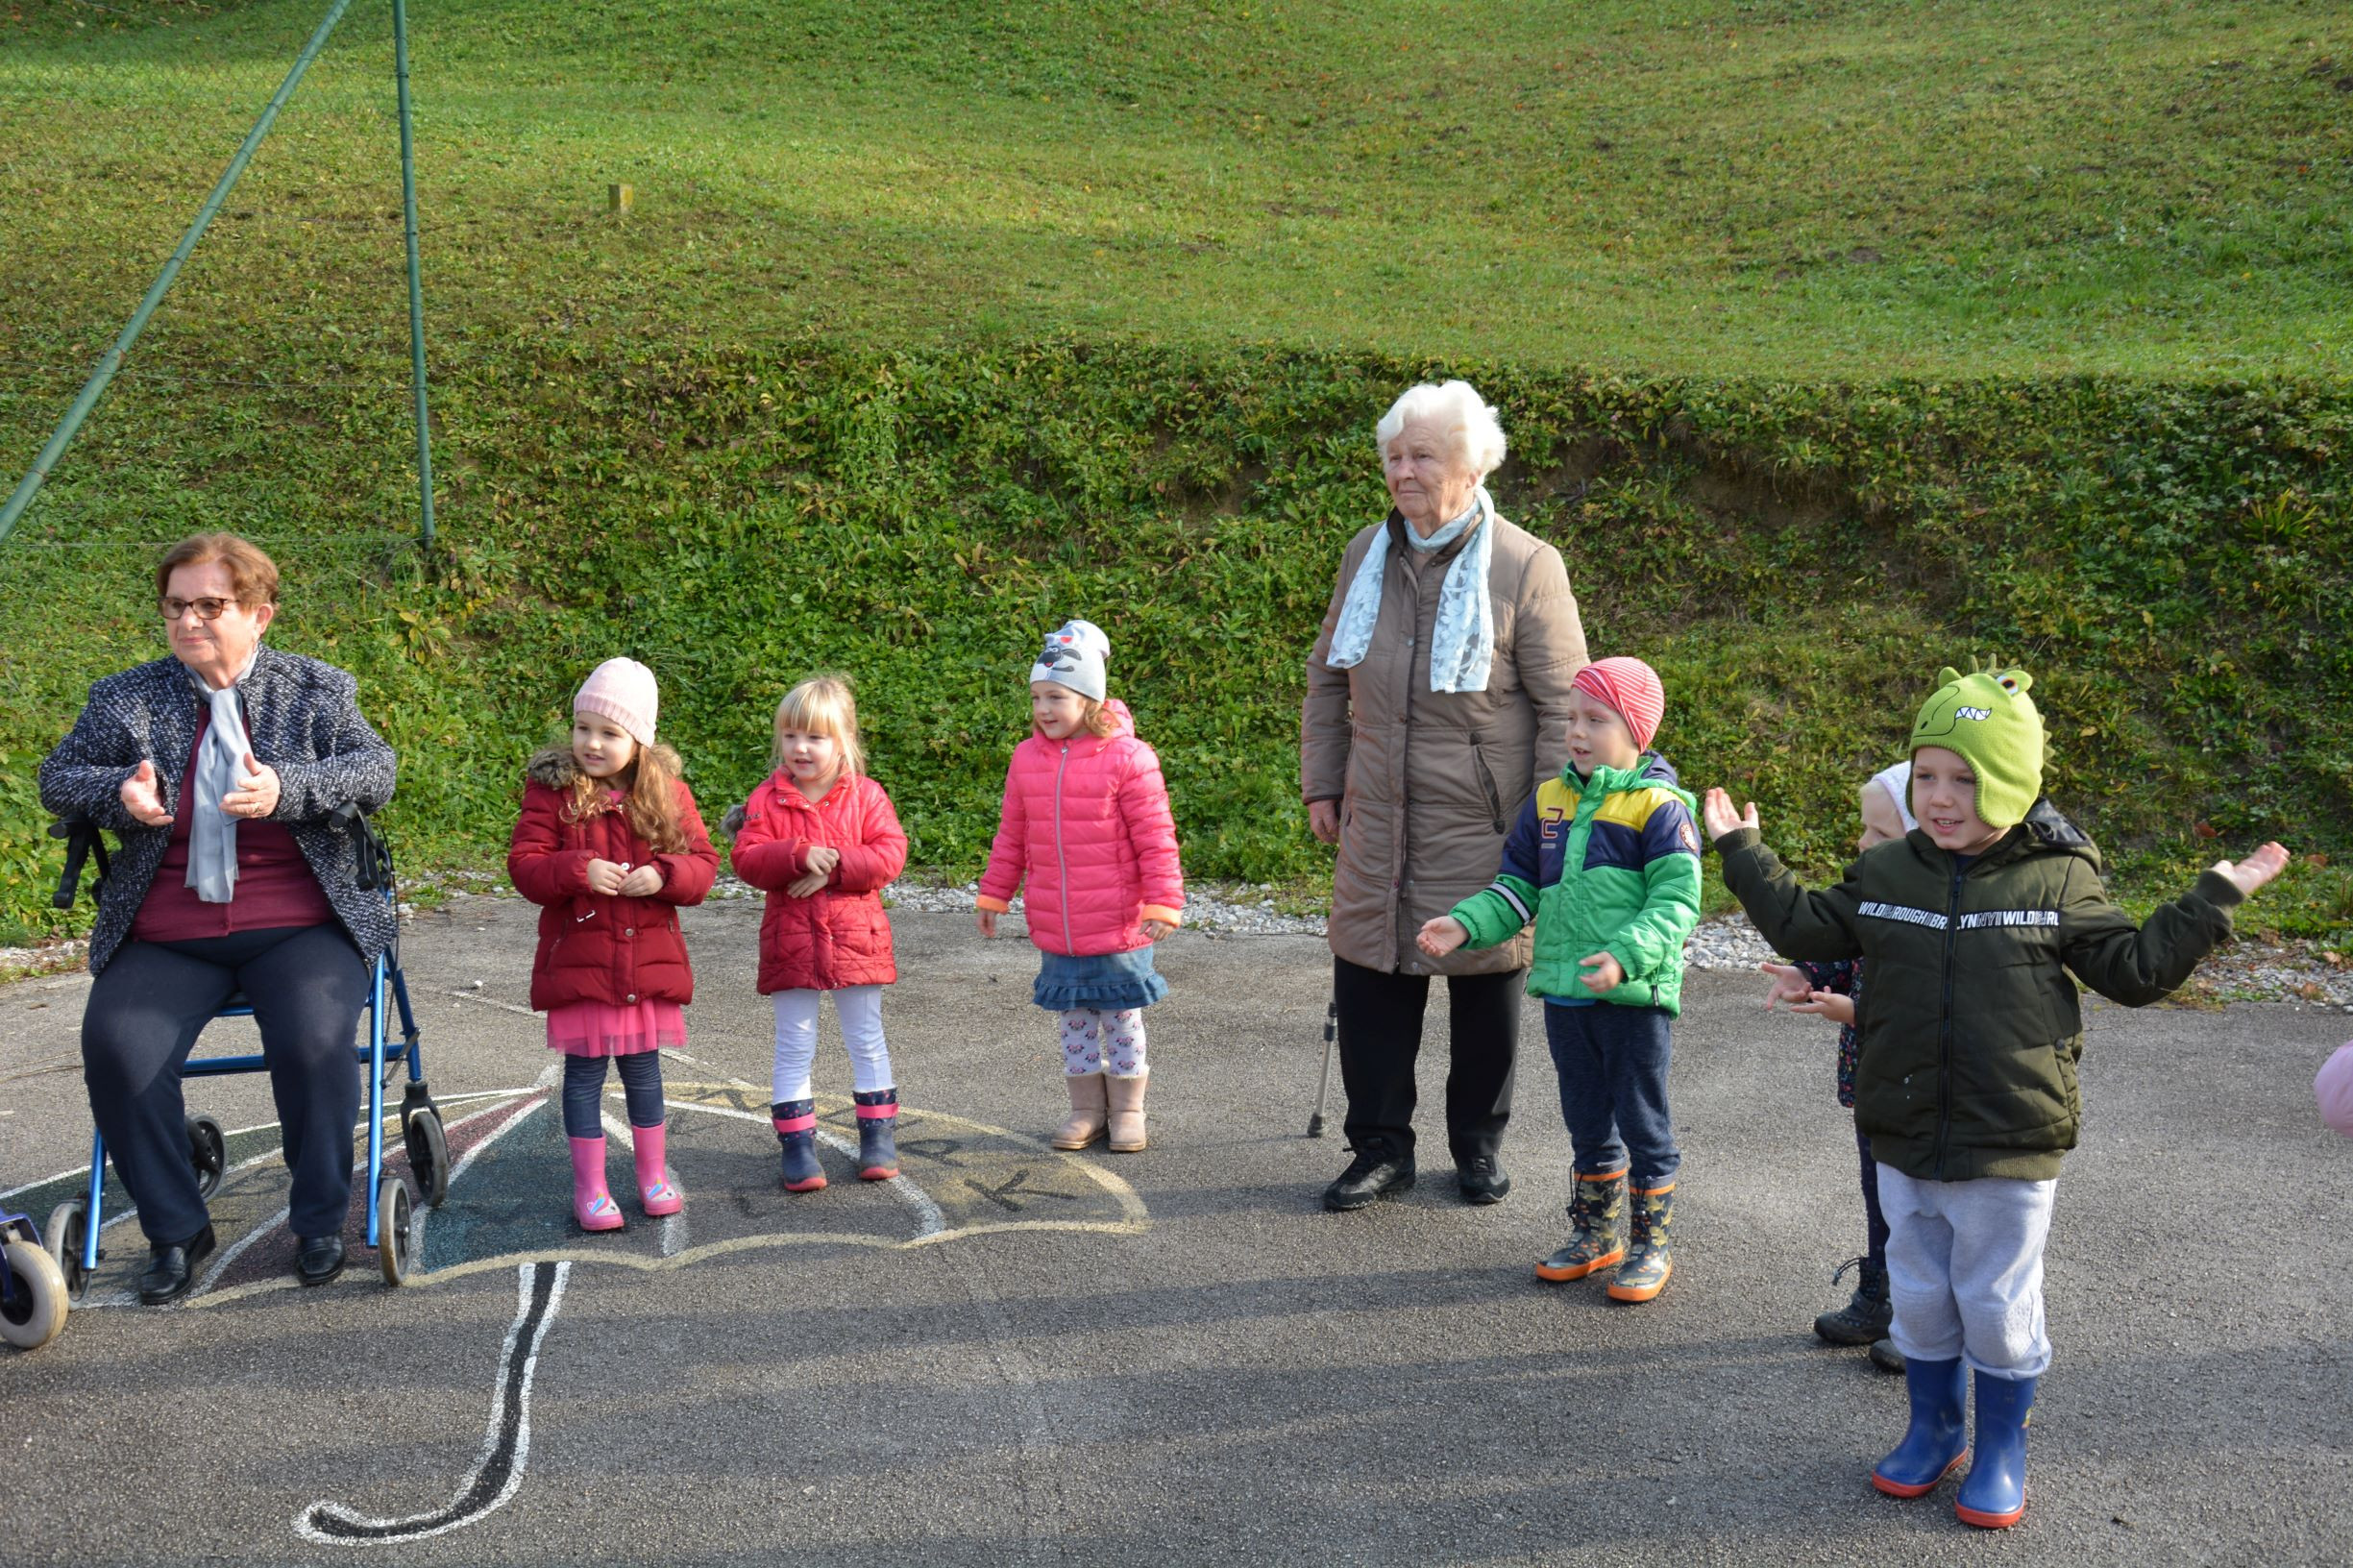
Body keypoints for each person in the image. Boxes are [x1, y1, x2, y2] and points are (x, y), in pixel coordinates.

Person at [1705, 664, 2289, 1530]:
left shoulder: (2056, 879)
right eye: (1926, 776)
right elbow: (1802, 925)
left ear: (2015, 781)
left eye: (1967, 780)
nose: (1939, 799)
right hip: (1902, 1131)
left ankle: (2002, 1444)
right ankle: (1933, 1428)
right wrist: (1742, 853)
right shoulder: (1892, 871)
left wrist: (2211, 899)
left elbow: (2131, 972)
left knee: (1995, 1304)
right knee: (1921, 1296)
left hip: (2010, 1138)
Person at [38, 533, 397, 1300]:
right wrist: (121, 798)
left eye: (211, 605)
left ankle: (319, 1218)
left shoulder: (314, 690)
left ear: (259, 615)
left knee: (315, 1038)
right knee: (117, 1048)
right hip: (170, 931)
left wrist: (287, 791)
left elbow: (376, 768)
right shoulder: (127, 697)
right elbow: (58, 776)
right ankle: (176, 1228)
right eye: (177, 606)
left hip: (299, 924)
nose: (189, 620)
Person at [1300, 380, 1588, 1212]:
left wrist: (1548, 821)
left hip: (1485, 822)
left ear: (1469, 466)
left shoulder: (1525, 564)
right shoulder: (1367, 554)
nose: (1402, 471)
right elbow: (1327, 679)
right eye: (1393, 456)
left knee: (1484, 982)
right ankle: (1379, 1148)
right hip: (1376, 814)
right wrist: (1323, 780)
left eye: (1421, 455)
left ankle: (1476, 1146)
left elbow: (1566, 706)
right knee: (1371, 978)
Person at [1417, 656, 1700, 1302]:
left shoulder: (1659, 809)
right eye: (1571, 718)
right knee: (1585, 1121)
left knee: (1641, 1120)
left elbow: (1675, 904)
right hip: (1567, 995)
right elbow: (1517, 886)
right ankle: (1597, 1235)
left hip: (1631, 997)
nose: (1577, 731)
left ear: (1637, 732)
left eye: (1595, 720)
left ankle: (1651, 1244)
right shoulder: (1549, 802)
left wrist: (1623, 957)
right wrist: (1465, 924)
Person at [507, 659, 718, 1232]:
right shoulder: (551, 792)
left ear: (639, 740)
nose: (592, 743)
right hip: (583, 964)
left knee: (645, 1074)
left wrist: (665, 874)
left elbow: (703, 865)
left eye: (609, 732)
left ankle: (652, 1174)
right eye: (583, 728)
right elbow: (525, 868)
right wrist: (579, 868)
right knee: (583, 1077)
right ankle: (592, 1188)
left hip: (645, 968)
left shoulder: (667, 795)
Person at [976, 621, 1184, 1153]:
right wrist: (995, 893)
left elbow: (1156, 837)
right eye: (1037, 697)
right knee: (1074, 1024)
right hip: (1058, 927)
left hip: (1118, 924)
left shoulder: (1129, 758)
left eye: (1057, 697)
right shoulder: (1027, 759)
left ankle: (1130, 1110)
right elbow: (1012, 835)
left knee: (1121, 1021)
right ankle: (1086, 1110)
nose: (1044, 709)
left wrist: (1163, 901)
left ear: (1089, 697)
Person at [1756, 761, 1915, 1370]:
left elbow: (1922, 1001)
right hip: (1874, 1088)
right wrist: (1808, 972)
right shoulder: (1872, 897)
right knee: (1880, 1199)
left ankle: (1923, 1320)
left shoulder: (1930, 911)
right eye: (1864, 830)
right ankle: (1880, 1294)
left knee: (1919, 1211)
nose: (1862, 844)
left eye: (1878, 833)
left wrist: (1857, 1010)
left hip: (1924, 1094)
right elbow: (1842, 952)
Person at [728, 674, 911, 1189]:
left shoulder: (867, 795)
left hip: (857, 940)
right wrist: (797, 853)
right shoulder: (766, 799)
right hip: (792, 939)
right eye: (790, 736)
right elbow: (746, 857)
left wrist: (832, 868)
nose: (801, 748)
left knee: (866, 1037)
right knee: (794, 1041)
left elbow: (890, 855)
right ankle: (798, 1146)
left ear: (844, 740)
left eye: (815, 737)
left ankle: (877, 1138)